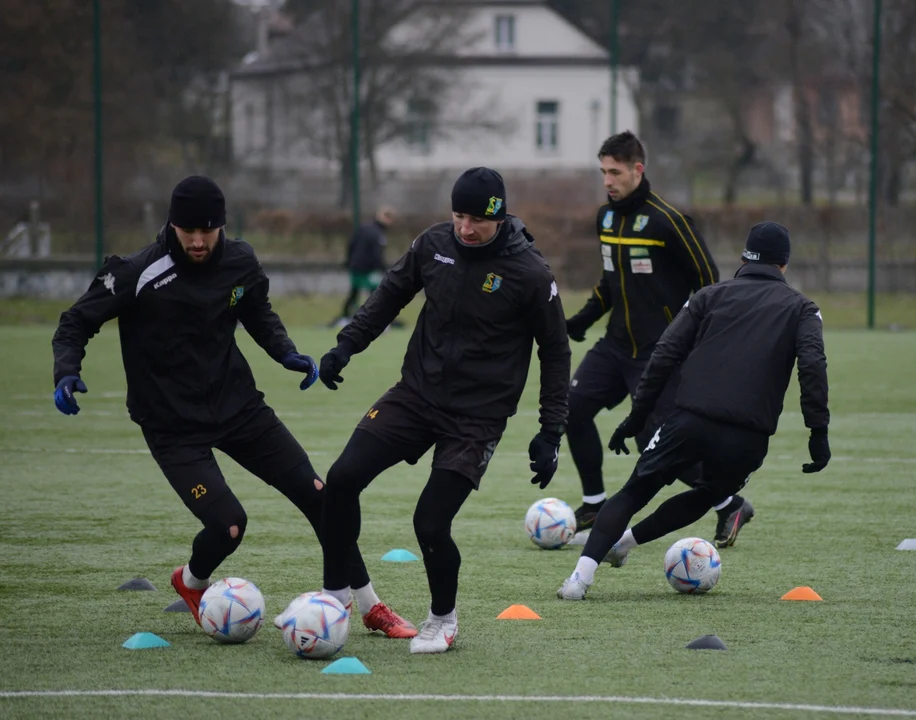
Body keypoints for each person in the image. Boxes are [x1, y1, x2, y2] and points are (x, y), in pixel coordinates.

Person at [51, 176, 385, 632]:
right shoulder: (137, 272)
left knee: (320, 496)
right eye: (187, 230)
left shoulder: (240, 261)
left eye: (207, 231)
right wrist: (67, 369)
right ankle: (191, 581)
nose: (197, 240)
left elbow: (257, 312)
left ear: (222, 227)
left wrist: (284, 352)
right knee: (229, 526)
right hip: (172, 427)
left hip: (240, 409)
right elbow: (75, 321)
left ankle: (370, 607)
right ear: (172, 224)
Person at [312, 167, 571, 654]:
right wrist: (346, 346)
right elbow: (390, 296)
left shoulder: (530, 272)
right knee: (342, 478)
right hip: (415, 396)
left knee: (430, 523)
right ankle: (335, 596)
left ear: (499, 216)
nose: (466, 228)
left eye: (477, 220)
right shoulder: (433, 243)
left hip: (476, 418)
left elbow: (555, 351)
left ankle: (443, 619)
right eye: (458, 216)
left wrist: (550, 430)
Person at [556, 221, 831, 600]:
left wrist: (637, 416)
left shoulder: (708, 296)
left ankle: (579, 580)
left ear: (743, 258)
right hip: (748, 438)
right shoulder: (803, 309)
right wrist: (818, 432)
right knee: (706, 495)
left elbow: (665, 353)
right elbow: (813, 366)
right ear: (783, 265)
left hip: (689, 421)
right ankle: (625, 545)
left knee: (636, 490)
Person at [561, 130, 753, 549]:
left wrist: (692, 338)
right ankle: (594, 502)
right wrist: (578, 320)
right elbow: (609, 285)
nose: (607, 180)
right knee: (571, 410)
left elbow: (708, 284)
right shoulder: (606, 218)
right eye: (603, 172)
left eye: (615, 172)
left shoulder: (669, 220)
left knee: (658, 444)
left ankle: (729, 502)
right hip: (614, 346)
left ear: (637, 169)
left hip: (657, 352)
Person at [335, 206, 399, 327]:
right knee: (375, 294)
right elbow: (376, 254)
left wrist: (349, 262)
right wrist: (383, 269)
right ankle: (376, 318)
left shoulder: (363, 228)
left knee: (355, 291)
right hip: (369, 269)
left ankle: (346, 317)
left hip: (355, 267)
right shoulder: (378, 234)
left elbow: (351, 245)